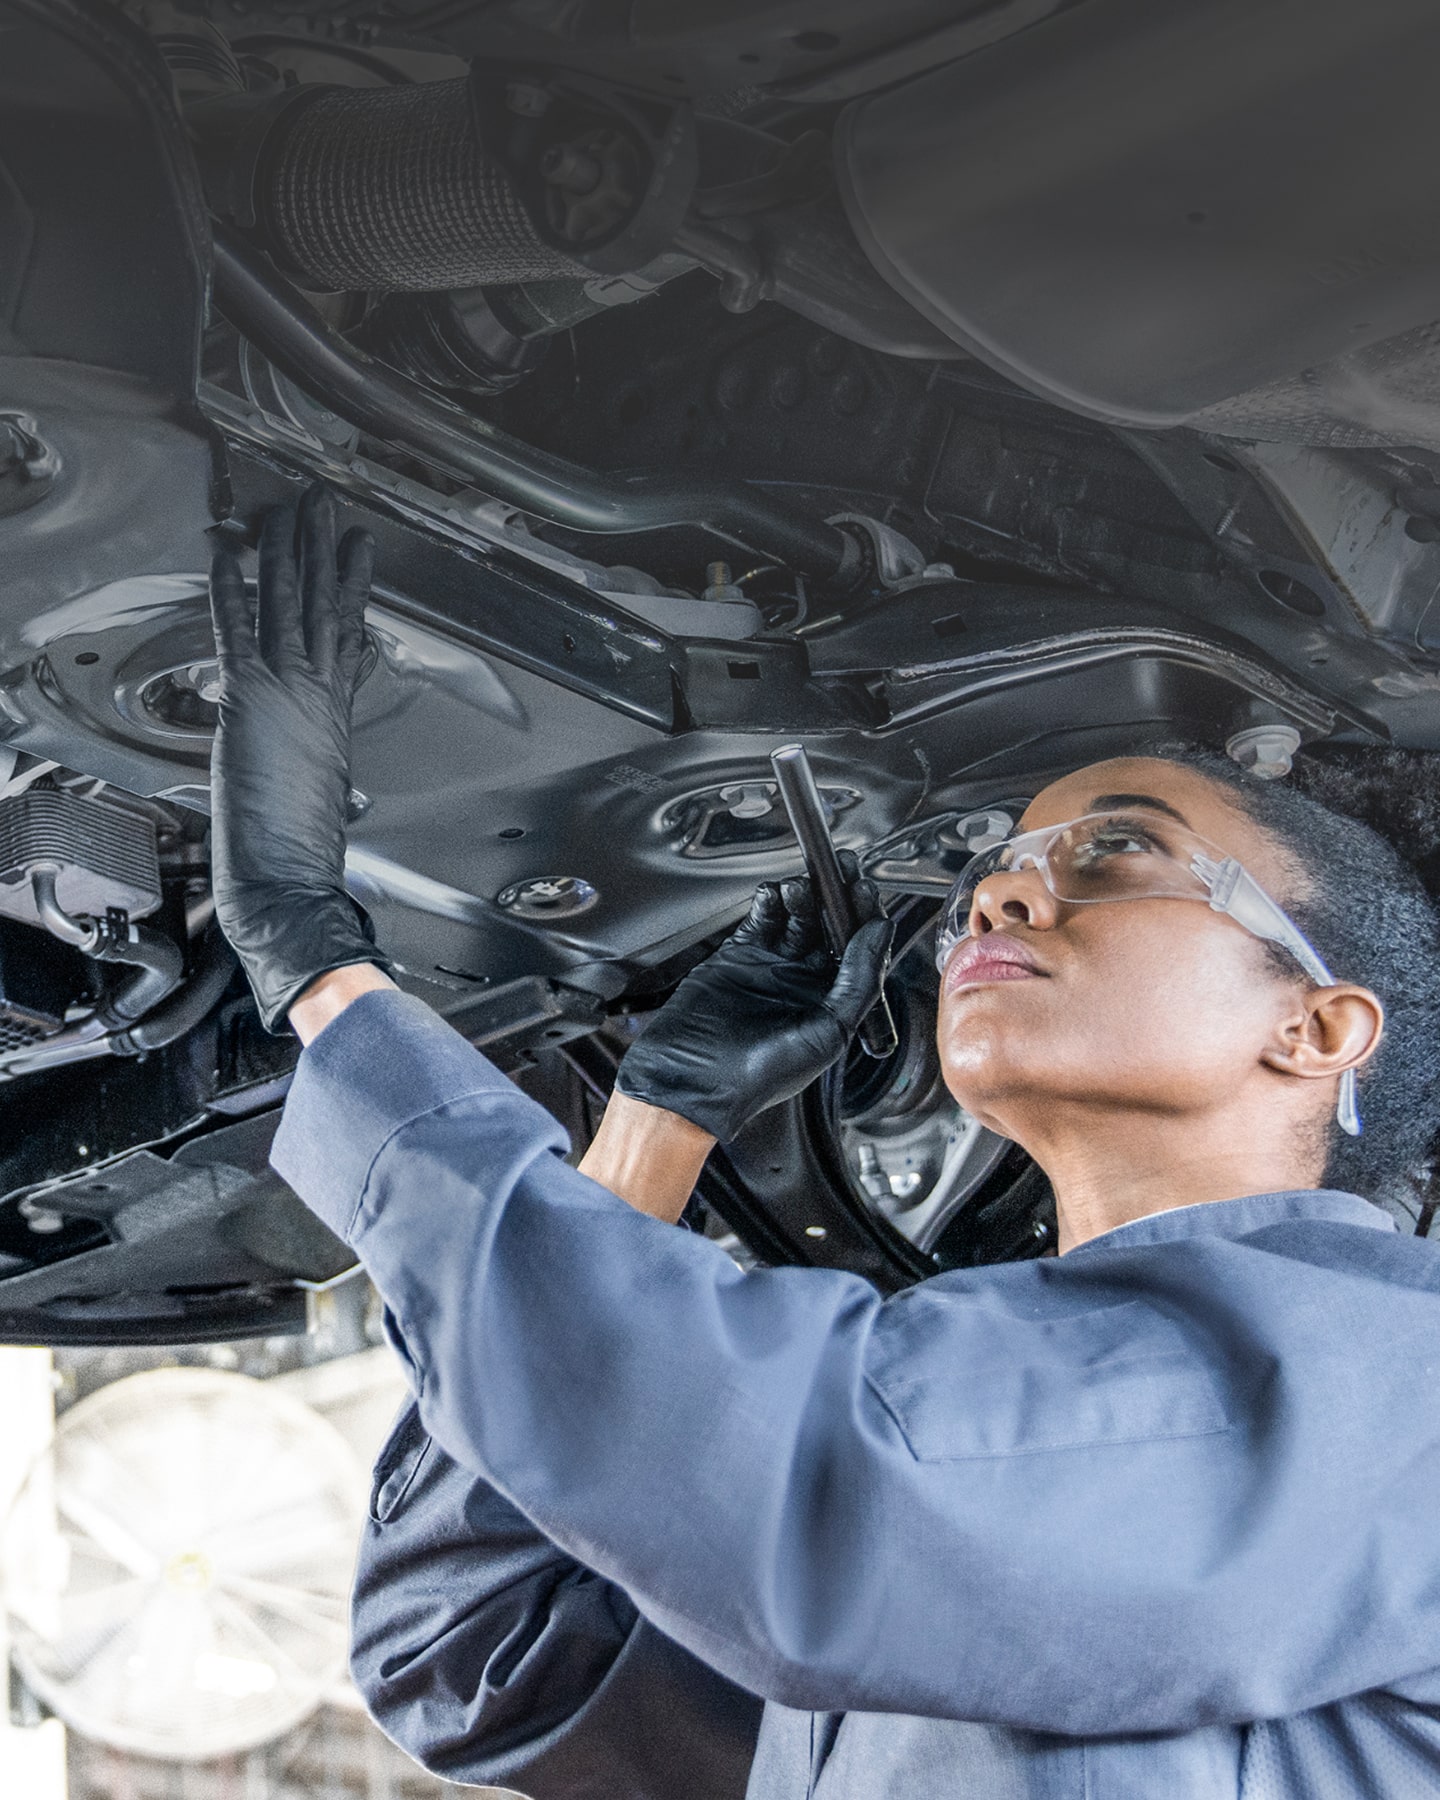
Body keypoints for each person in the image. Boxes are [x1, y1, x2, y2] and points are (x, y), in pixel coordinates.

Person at [209, 489, 1440, 1798]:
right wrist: (658, 1120)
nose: (1007, 887)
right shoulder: (961, 1509)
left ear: (1318, 1027)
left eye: (1119, 849)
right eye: (1010, 859)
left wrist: (323, 974)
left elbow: (809, 1482)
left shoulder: (1398, 1395)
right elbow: (488, 1656)